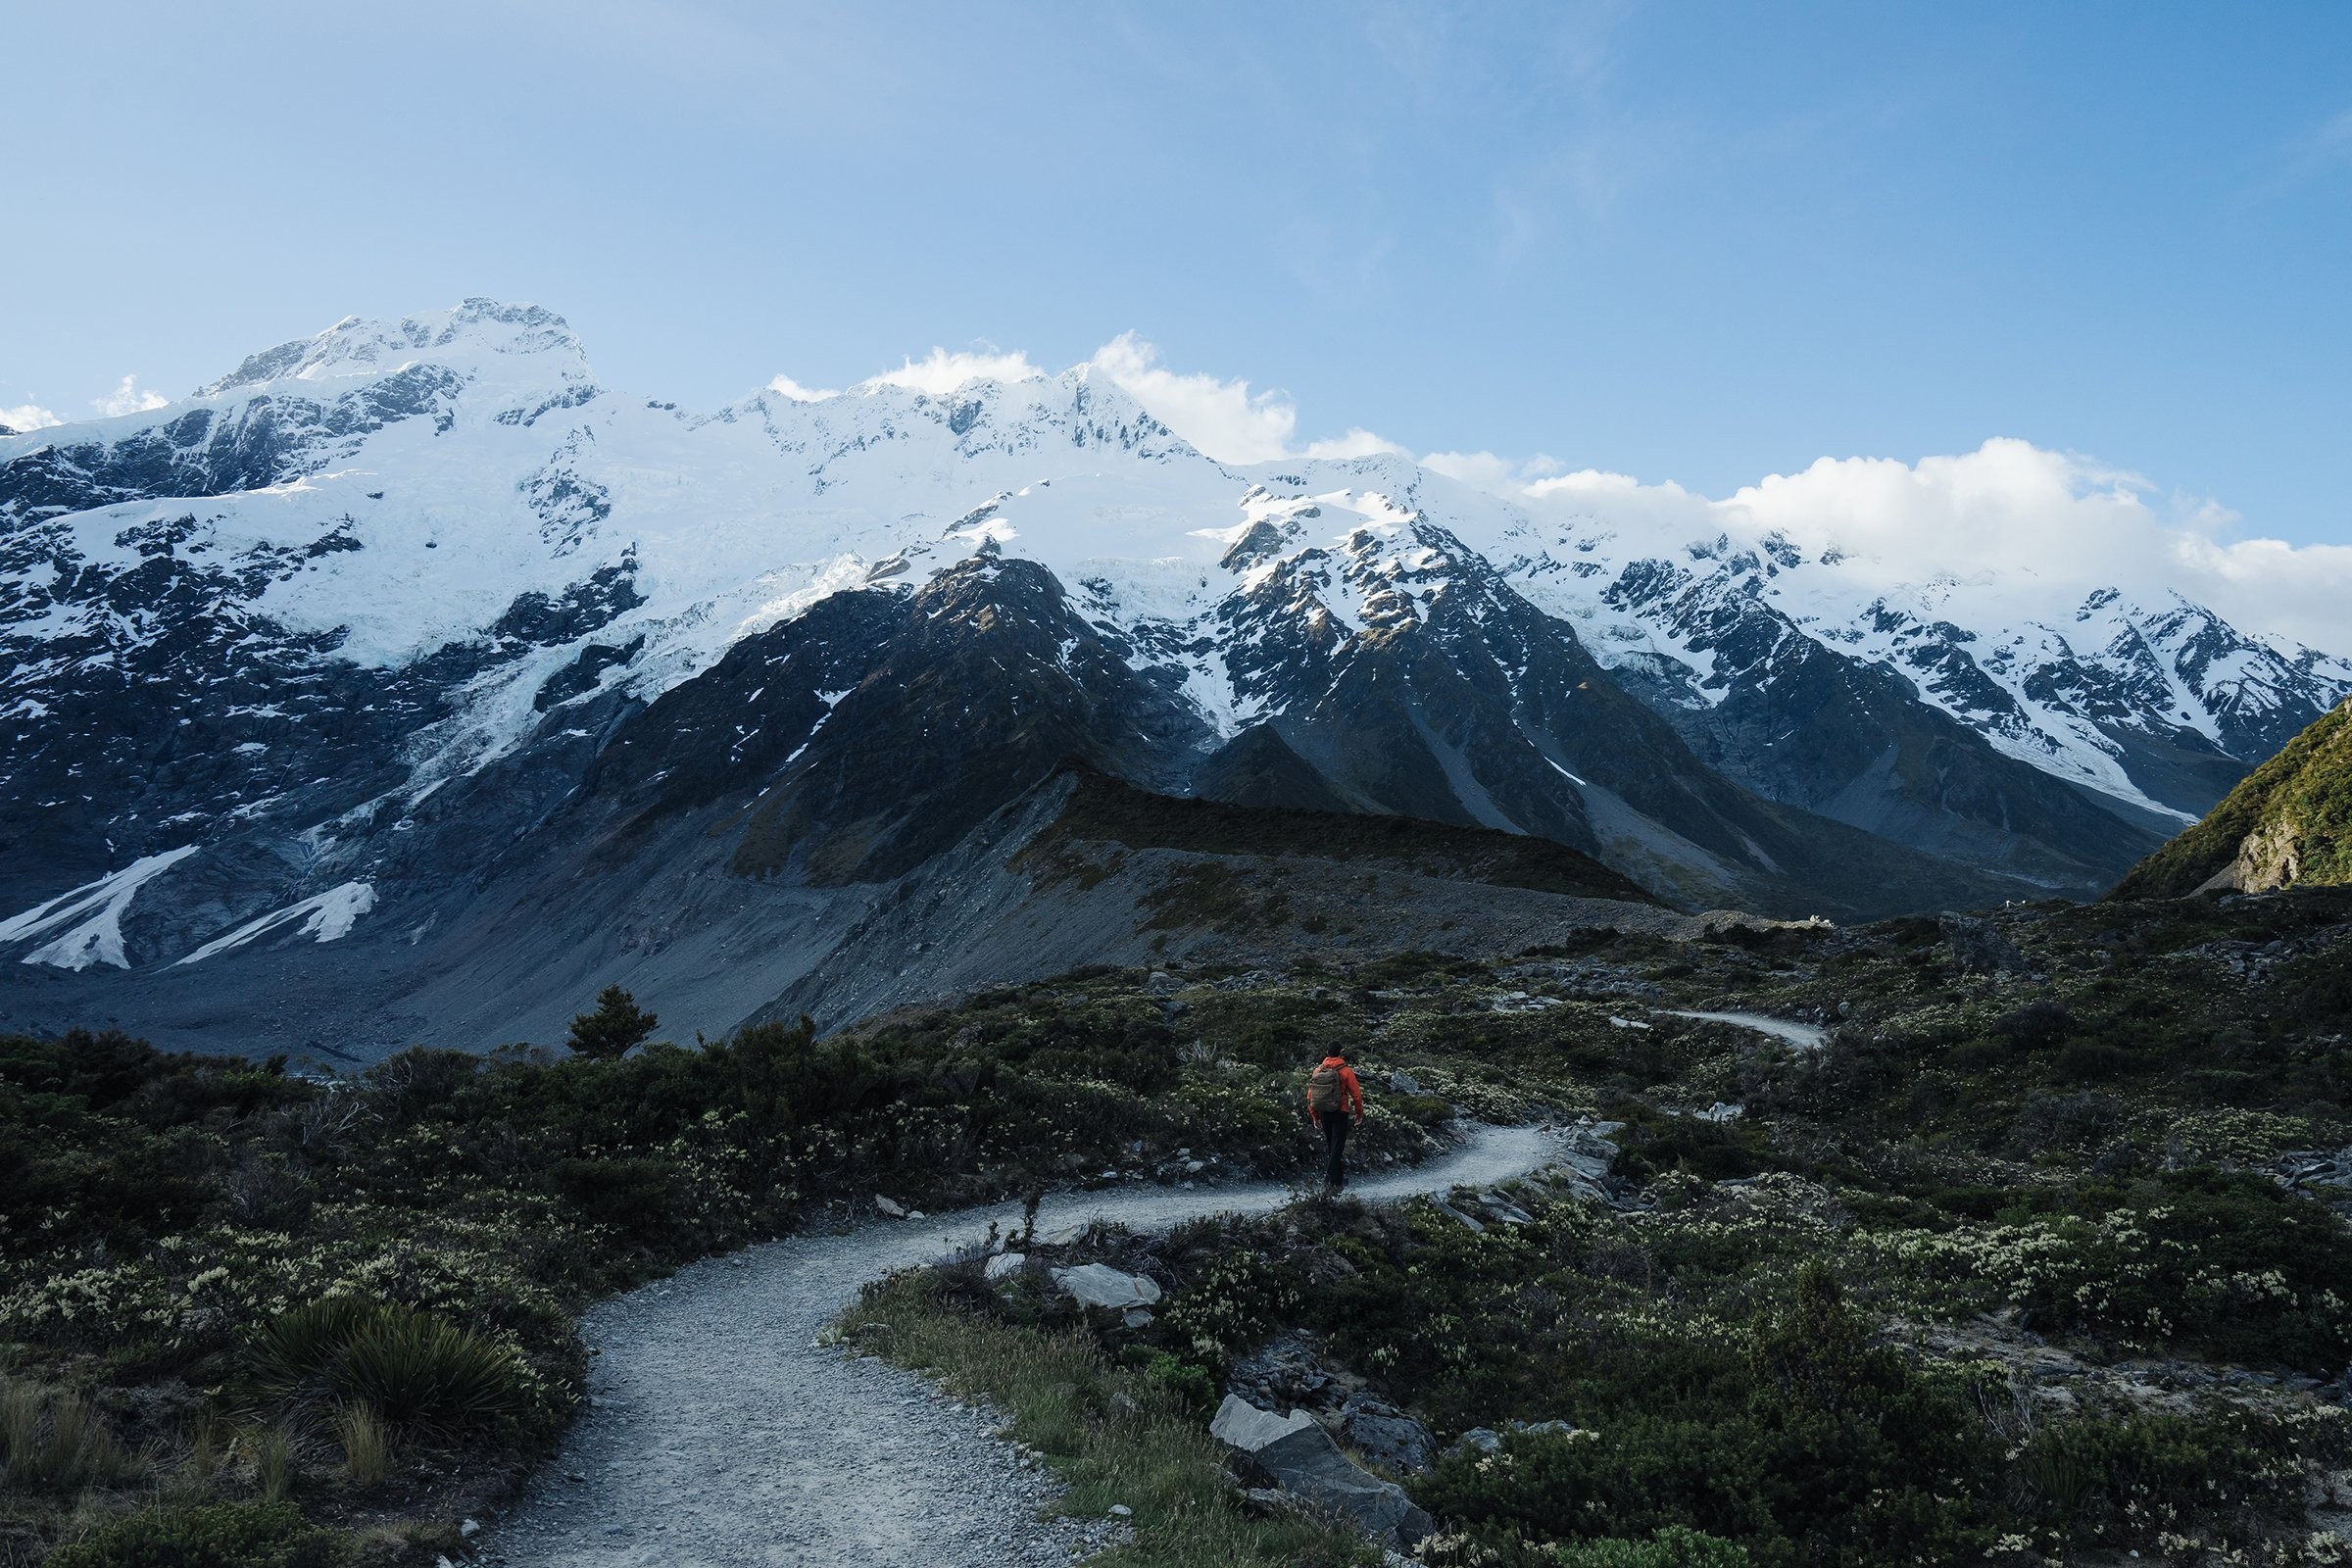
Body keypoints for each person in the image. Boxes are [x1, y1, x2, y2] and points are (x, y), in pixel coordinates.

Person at [1305, 1050, 1365, 1193]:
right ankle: (1328, 1180)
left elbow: (1310, 1096)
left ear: (1327, 1052)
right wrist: (1359, 1113)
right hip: (1340, 1111)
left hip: (1324, 1111)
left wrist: (1315, 1116)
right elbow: (1356, 1095)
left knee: (1332, 1146)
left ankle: (1338, 1180)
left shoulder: (1318, 1070)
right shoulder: (1346, 1070)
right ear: (1340, 1053)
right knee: (1337, 1147)